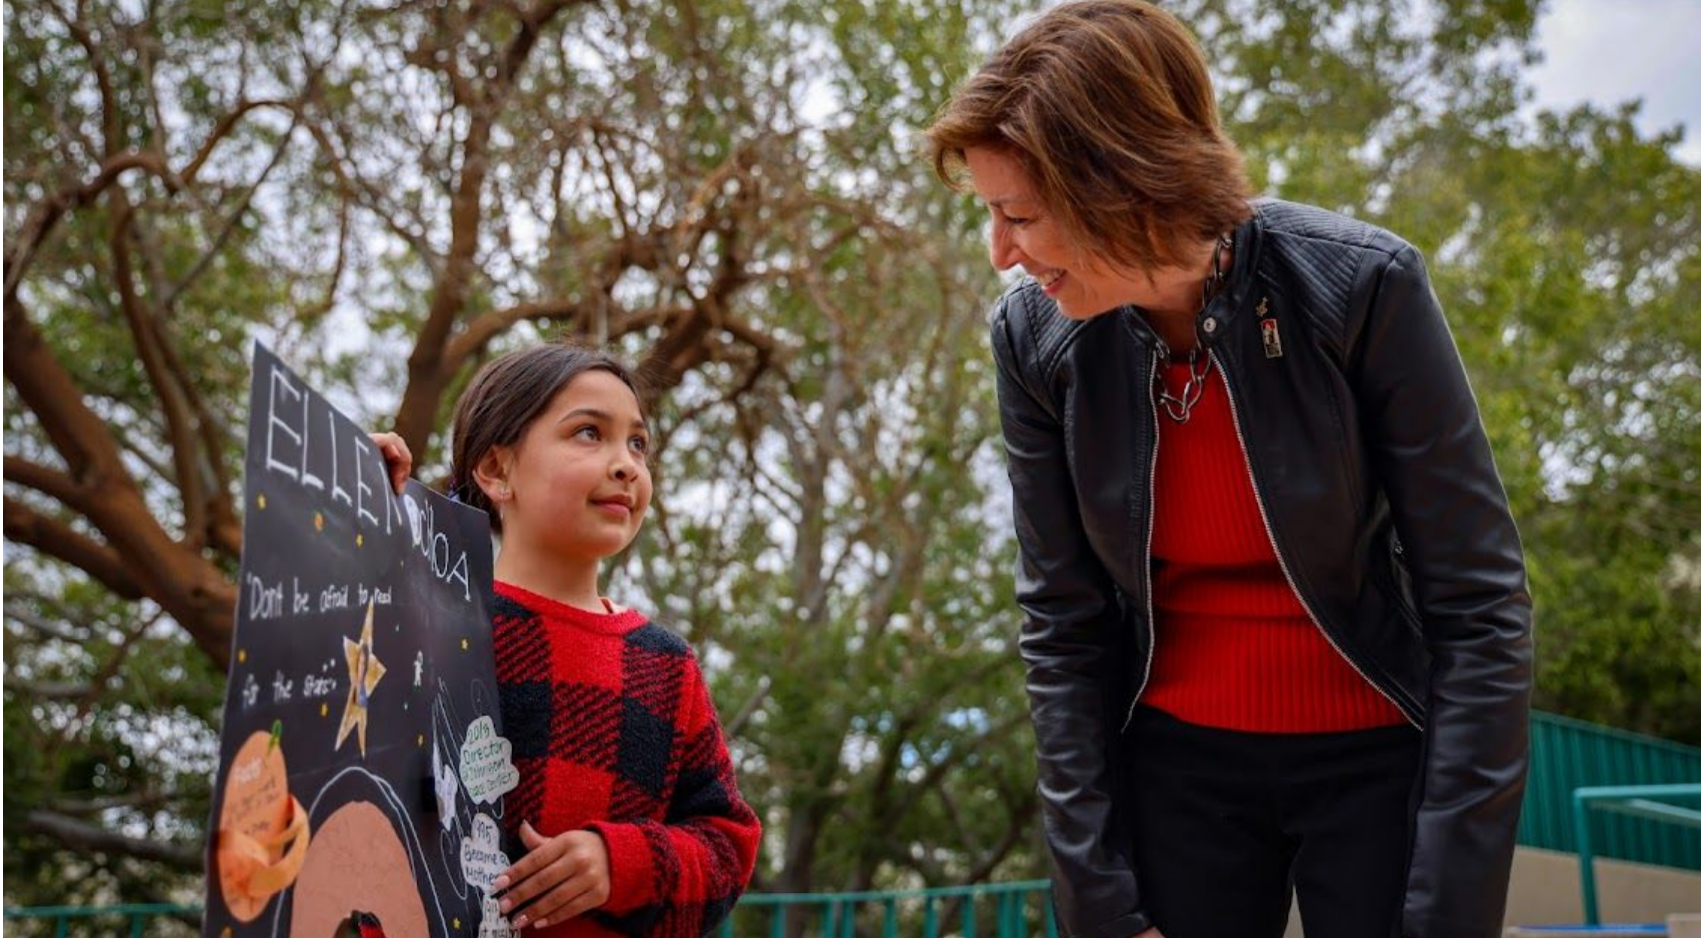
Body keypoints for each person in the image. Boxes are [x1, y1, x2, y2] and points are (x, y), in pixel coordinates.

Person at [924, 3, 1532, 938]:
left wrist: (1447, 912)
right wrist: (1102, 906)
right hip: (1174, 775)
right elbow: (1063, 622)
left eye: (1018, 216)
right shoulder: (1031, 339)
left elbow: (1480, 605)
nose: (1002, 254)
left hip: (1379, 763)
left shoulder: (1364, 287)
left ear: (1118, 183)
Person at [373, 344, 760, 936]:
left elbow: (727, 848)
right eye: (588, 433)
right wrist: (352, 503)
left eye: (637, 443)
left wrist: (620, 861)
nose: (626, 464)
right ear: (497, 471)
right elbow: (337, 757)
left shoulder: (667, 667)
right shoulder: (432, 627)